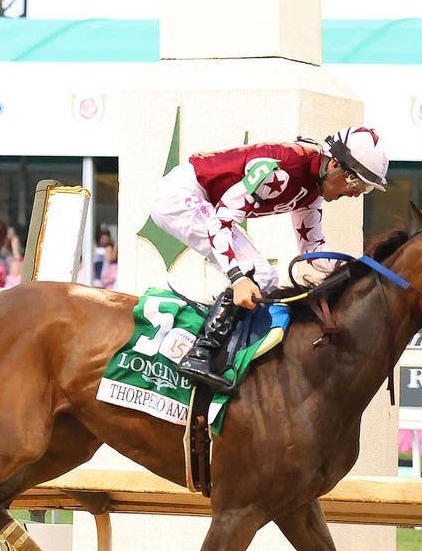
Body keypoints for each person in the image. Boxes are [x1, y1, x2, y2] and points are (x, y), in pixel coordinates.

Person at [148, 126, 389, 390]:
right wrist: (237, 278)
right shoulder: (282, 169)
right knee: (258, 275)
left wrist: (355, 268)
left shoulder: (312, 191)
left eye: (365, 189)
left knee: (266, 277)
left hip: (201, 200)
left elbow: (312, 251)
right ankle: (201, 353)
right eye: (356, 182)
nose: (355, 193)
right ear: (334, 164)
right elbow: (220, 222)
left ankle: (227, 353)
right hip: (180, 195)